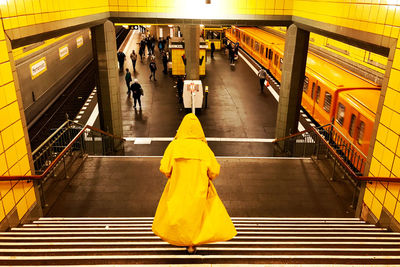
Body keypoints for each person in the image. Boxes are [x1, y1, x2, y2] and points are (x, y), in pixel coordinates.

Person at [152, 113, 237, 254]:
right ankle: (191, 244)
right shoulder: (203, 149)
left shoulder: (174, 146)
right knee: (196, 217)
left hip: (178, 188)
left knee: (179, 214)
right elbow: (214, 171)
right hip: (199, 188)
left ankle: (182, 240)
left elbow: (165, 169)